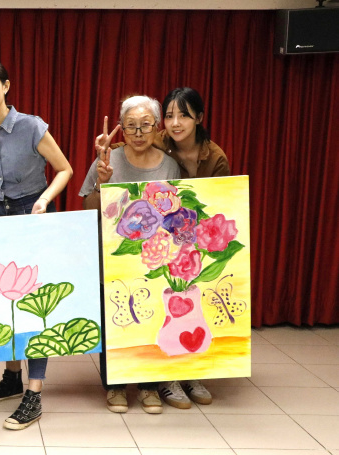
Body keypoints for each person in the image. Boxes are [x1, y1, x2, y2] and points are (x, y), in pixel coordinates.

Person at [0, 59, 73, 430]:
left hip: (35, 214)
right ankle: (11, 378)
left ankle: (34, 392)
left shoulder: (30, 125)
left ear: (6, 86)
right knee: (3, 302)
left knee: (34, 305)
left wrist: (44, 201)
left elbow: (65, 169)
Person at [80, 94, 181, 414]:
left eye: (145, 125)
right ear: (121, 128)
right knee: (116, 321)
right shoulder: (107, 159)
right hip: (113, 258)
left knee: (151, 319)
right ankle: (115, 387)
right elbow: (88, 210)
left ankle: (149, 386)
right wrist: (102, 182)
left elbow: (178, 211)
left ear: (157, 127)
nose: (138, 133)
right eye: (130, 126)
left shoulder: (170, 164)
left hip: (154, 256)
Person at [155, 87, 229, 409]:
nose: (175, 122)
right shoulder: (157, 142)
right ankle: (166, 378)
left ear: (199, 117)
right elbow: (125, 148)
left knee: (196, 305)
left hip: (200, 240)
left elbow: (221, 203)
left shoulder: (215, 157)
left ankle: (192, 372)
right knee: (167, 306)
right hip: (161, 237)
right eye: (169, 115)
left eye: (183, 114)